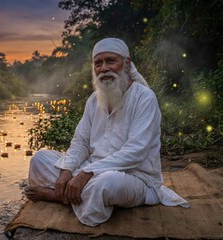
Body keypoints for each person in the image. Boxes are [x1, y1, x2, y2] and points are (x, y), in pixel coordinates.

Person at [24, 38, 189, 227]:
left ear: (126, 64)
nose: (103, 68)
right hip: (92, 169)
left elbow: (135, 152)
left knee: (107, 184)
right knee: (39, 159)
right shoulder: (94, 100)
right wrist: (67, 172)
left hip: (133, 177)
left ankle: (56, 195)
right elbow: (81, 142)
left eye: (111, 61)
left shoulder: (145, 98)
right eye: (98, 63)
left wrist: (86, 173)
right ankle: (74, 194)